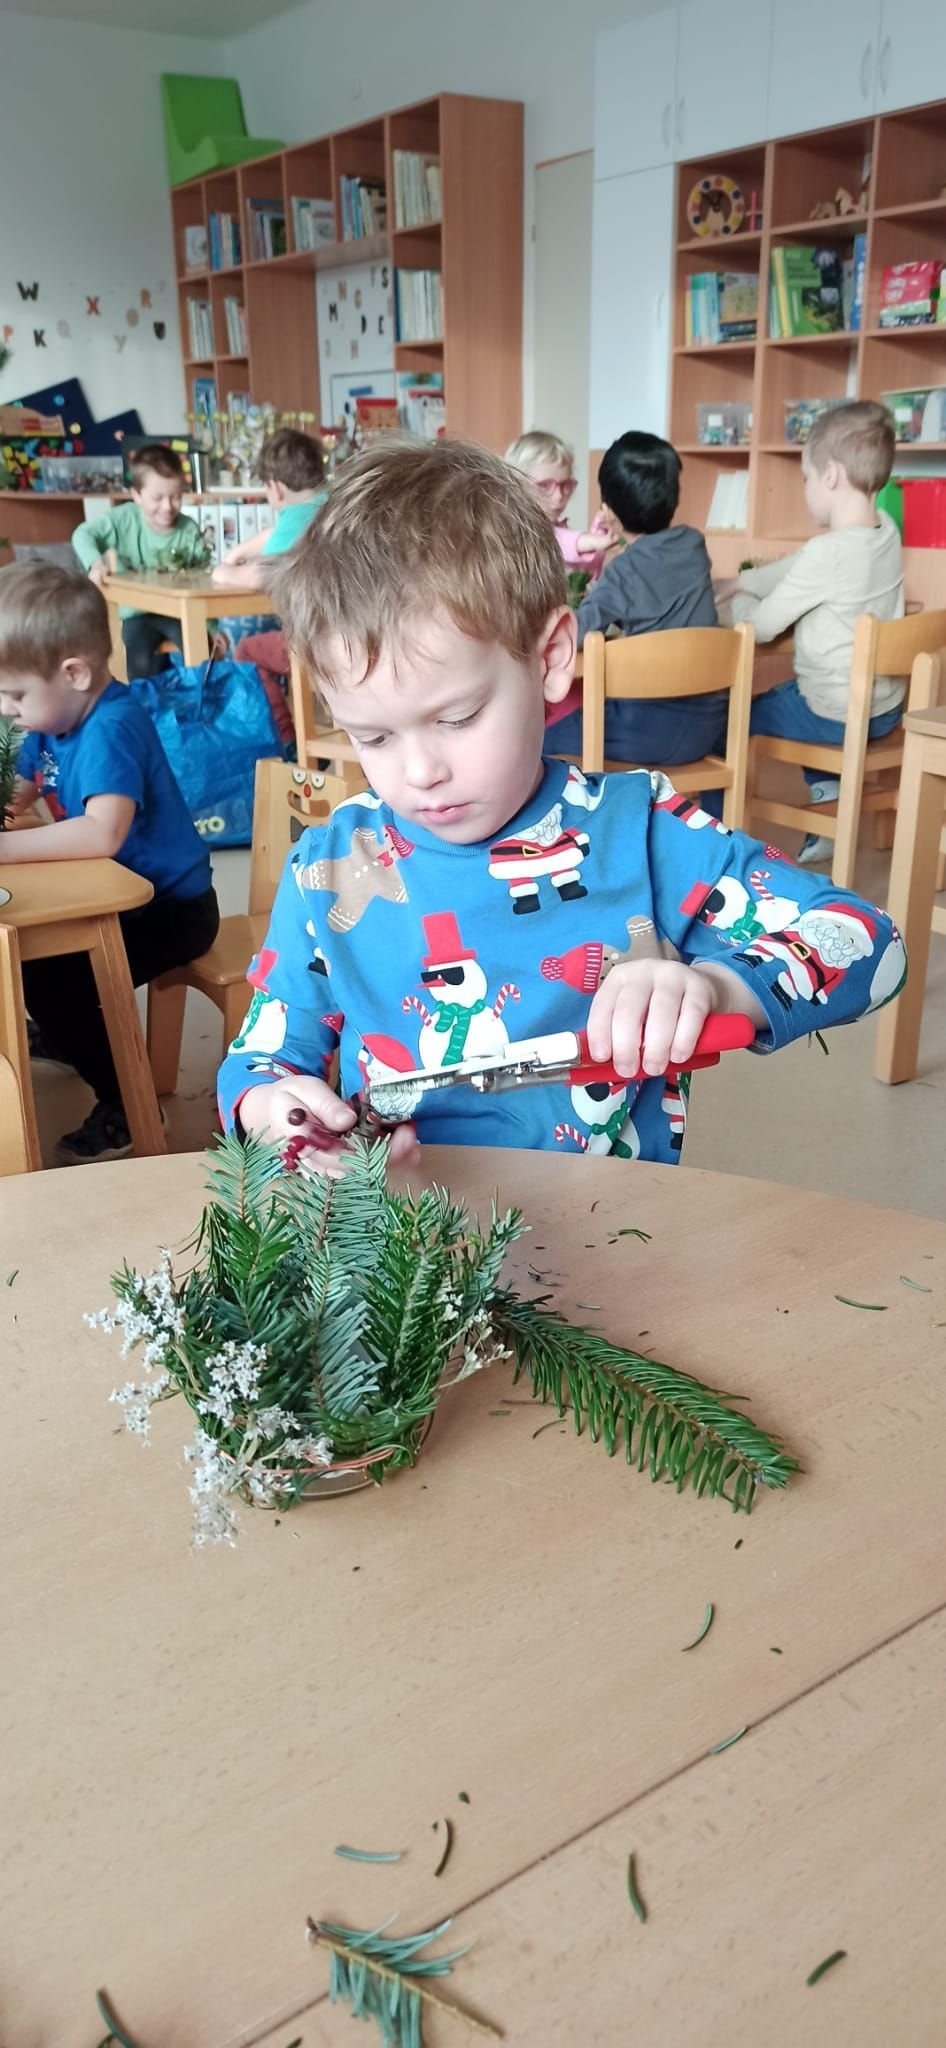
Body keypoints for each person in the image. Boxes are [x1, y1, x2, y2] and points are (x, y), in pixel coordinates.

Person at [215, 436, 905, 1176]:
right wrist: (274, 1108)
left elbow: (871, 941)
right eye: (373, 736)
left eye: (457, 718)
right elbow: (260, 1058)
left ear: (550, 660)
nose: (419, 773)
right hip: (399, 1237)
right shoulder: (326, 869)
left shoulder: (640, 832)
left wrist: (717, 986)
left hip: (613, 1227)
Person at [0, 565, 219, 1163]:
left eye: (15, 695)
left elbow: (102, 832)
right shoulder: (53, 717)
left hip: (173, 910)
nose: (7, 709)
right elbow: (19, 791)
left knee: (54, 979)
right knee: (37, 958)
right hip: (127, 897)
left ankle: (126, 1103)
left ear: (74, 673)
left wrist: (6, 849)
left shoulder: (111, 726)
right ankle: (69, 1035)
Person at [718, 401, 904, 864]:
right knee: (795, 691)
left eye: (806, 477)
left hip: (836, 712)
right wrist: (746, 580)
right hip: (885, 708)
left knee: (730, 716)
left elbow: (760, 628)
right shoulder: (886, 532)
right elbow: (799, 567)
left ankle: (717, 837)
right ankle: (827, 796)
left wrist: (734, 603)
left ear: (831, 476)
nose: (805, 489)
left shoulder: (828, 553)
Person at [546, 430, 725, 768]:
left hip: (646, 730)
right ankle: (710, 804)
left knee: (543, 736)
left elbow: (577, 632)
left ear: (608, 511)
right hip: (708, 727)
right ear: (673, 498)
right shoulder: (693, 545)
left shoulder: (624, 571)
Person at [72, 443, 207, 680]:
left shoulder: (188, 530)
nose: (167, 506)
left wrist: (212, 629)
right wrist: (95, 563)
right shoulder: (123, 518)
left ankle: (196, 700)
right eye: (157, 498)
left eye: (176, 497)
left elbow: (203, 584)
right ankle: (150, 702)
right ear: (136, 495)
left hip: (179, 612)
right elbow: (83, 534)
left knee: (201, 655)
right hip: (136, 613)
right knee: (139, 663)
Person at [211, 427, 328, 593]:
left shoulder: (296, 515)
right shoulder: (327, 503)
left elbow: (261, 576)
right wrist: (236, 553)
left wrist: (223, 572)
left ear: (275, 488)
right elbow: (274, 535)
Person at [505, 431, 611, 578]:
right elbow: (554, 541)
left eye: (565, 484)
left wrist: (599, 532)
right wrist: (591, 541)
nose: (559, 496)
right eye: (544, 485)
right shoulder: (513, 530)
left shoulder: (560, 528)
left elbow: (587, 574)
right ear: (516, 486)